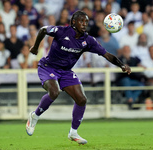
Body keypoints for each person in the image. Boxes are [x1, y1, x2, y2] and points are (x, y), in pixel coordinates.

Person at [26, 11, 131, 144]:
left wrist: (122, 65)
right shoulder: (61, 31)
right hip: (48, 67)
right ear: (73, 22)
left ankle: (73, 132)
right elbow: (42, 30)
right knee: (54, 91)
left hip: (66, 71)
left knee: (81, 99)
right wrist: (35, 48)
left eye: (86, 22)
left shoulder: (88, 41)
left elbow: (107, 55)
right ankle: (34, 116)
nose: (84, 24)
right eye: (81, 21)